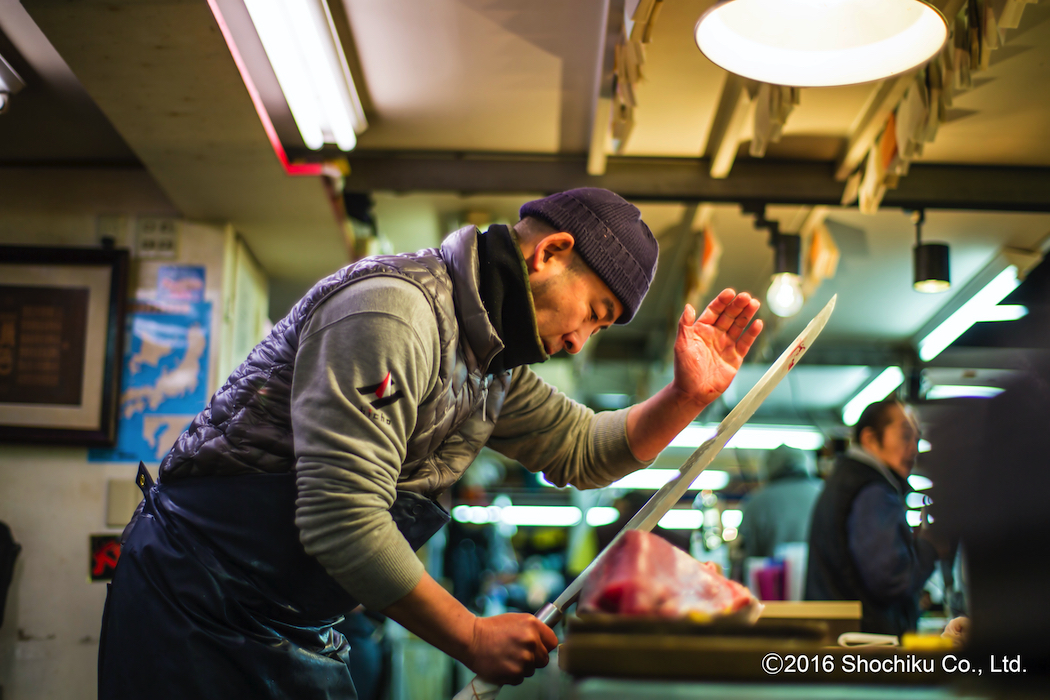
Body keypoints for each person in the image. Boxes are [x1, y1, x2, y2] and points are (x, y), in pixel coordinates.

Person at [98, 188, 763, 699]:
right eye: (593, 313)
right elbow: (341, 517)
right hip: (195, 607)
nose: (580, 341)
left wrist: (688, 398)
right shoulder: (396, 313)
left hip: (287, 620)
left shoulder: (488, 363)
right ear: (551, 252)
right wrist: (471, 635)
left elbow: (583, 450)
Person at [805, 398, 941, 635]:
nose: (914, 449)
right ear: (870, 439)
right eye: (905, 436)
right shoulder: (873, 491)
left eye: (917, 438)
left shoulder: (849, 480)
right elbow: (891, 580)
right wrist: (929, 547)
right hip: (865, 650)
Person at [738, 446, 823, 559]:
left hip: (773, 575)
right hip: (820, 574)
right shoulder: (823, 493)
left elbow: (749, 553)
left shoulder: (757, 502)